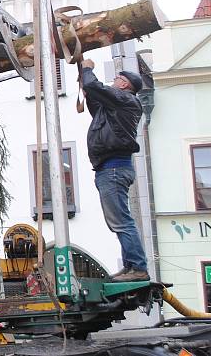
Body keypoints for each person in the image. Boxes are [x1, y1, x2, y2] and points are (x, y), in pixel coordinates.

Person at [80, 58, 149, 282]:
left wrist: (88, 68)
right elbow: (94, 99)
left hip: (114, 170)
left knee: (121, 222)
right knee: (119, 221)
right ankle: (131, 266)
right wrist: (82, 74)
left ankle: (137, 267)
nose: (113, 81)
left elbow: (94, 87)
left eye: (117, 79)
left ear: (124, 85)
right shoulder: (114, 108)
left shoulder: (126, 100)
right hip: (111, 169)